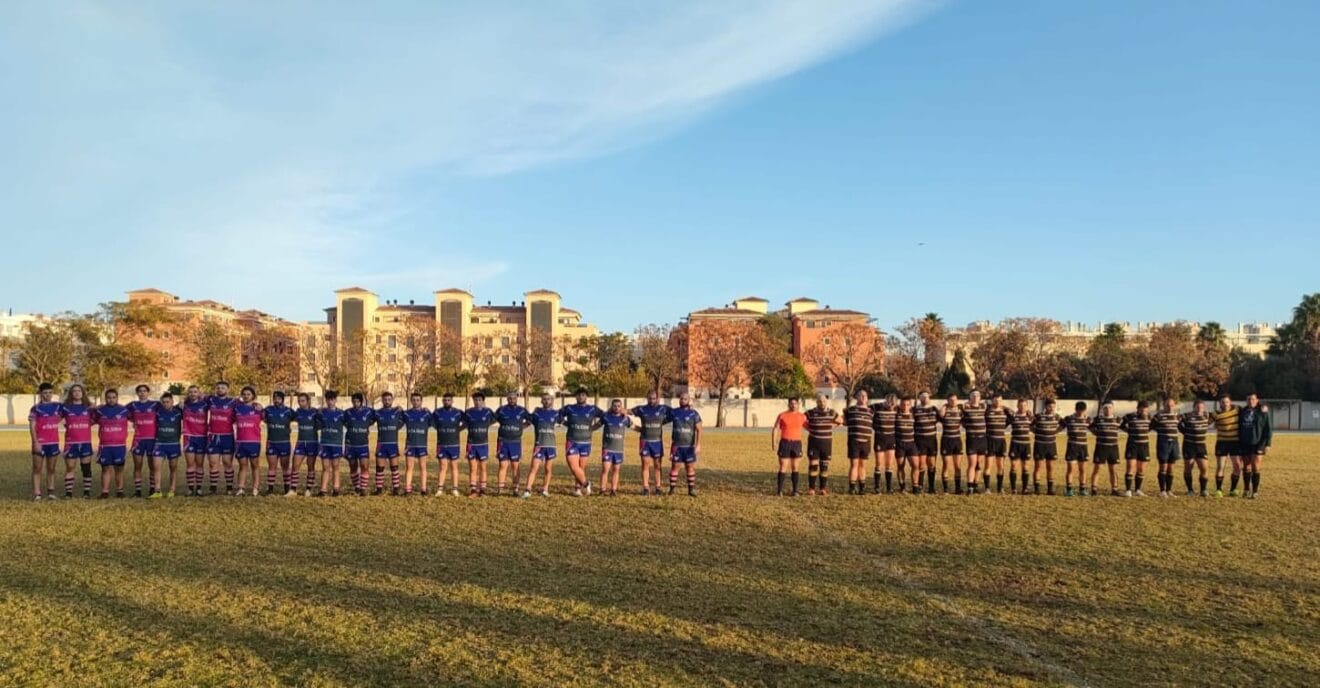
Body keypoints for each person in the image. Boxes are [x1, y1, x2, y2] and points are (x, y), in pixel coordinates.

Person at [558, 389, 603, 497]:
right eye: (579, 395)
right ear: (576, 397)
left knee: (580, 468)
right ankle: (586, 484)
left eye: (583, 395)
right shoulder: (569, 408)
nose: (581, 397)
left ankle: (577, 489)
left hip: (586, 442)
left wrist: (593, 427)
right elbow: (557, 415)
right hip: (572, 441)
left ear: (586, 396)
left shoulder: (592, 409)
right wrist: (565, 423)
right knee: (574, 467)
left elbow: (604, 417)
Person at [630, 392, 672, 495]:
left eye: (654, 398)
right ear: (647, 398)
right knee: (645, 465)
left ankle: (658, 488)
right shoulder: (641, 409)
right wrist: (616, 410)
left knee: (657, 466)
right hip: (645, 441)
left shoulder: (663, 408)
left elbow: (676, 413)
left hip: (657, 442)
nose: (652, 400)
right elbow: (627, 411)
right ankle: (645, 488)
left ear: (657, 398)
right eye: (650, 398)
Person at [92, 389, 130, 498]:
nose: (111, 399)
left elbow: (136, 419)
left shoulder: (124, 410)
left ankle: (120, 491)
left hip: (119, 445)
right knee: (105, 468)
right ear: (105, 398)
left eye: (114, 397)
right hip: (105, 445)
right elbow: (90, 421)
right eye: (109, 397)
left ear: (117, 398)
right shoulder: (100, 411)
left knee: (119, 468)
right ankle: (105, 492)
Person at [28, 383, 63, 500]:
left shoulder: (58, 406)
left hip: (53, 442)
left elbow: (67, 412)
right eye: (45, 393)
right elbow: (32, 427)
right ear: (40, 394)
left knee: (51, 468)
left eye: (50, 393)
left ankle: (51, 492)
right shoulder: (35, 408)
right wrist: (35, 442)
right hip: (40, 443)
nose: (48, 395)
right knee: (37, 468)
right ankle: (37, 494)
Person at [61, 384, 95, 498]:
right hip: (71, 443)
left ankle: (86, 493)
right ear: (71, 393)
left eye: (79, 391)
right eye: (74, 391)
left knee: (86, 468)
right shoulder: (65, 407)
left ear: (83, 393)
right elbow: (55, 419)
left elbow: (97, 419)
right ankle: (69, 493)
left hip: (85, 442)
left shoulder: (89, 407)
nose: (77, 393)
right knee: (70, 467)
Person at [523, 395, 561, 498]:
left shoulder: (556, 413)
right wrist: (518, 429)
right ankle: (528, 490)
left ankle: (545, 489)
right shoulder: (536, 413)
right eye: (544, 399)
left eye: (548, 399)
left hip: (551, 445)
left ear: (552, 400)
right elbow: (527, 423)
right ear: (541, 401)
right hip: (539, 445)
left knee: (548, 469)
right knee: (534, 468)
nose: (546, 401)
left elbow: (565, 422)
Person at [127, 384, 160, 498]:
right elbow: (120, 412)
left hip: (152, 439)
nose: (142, 393)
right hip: (138, 439)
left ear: (148, 392)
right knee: (137, 466)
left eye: (144, 391)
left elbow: (168, 407)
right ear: (137, 393)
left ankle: (152, 488)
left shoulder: (155, 404)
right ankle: (138, 490)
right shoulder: (132, 405)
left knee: (152, 466)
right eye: (140, 391)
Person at [206, 381, 239, 495]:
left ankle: (229, 488)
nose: (220, 389)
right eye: (218, 387)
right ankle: (213, 488)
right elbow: (194, 398)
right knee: (213, 463)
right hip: (213, 436)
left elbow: (246, 404)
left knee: (227, 463)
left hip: (227, 436)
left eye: (223, 388)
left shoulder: (234, 401)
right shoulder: (210, 399)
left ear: (227, 389)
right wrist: (182, 401)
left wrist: (256, 405)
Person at [494, 392, 529, 496]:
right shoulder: (501, 410)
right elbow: (492, 420)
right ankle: (500, 489)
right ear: (507, 399)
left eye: (513, 398)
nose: (512, 400)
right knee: (502, 465)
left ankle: (515, 489)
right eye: (509, 398)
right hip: (502, 442)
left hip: (515, 442)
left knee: (515, 466)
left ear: (516, 399)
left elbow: (530, 421)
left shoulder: (522, 410)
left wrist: (520, 427)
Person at [667, 393, 702, 496]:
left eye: (685, 399)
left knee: (690, 467)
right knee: (675, 467)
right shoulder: (674, 412)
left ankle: (691, 490)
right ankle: (672, 490)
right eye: (681, 398)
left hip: (689, 447)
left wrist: (698, 444)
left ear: (689, 400)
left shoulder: (694, 413)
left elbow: (699, 429)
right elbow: (661, 420)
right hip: (677, 446)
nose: (683, 400)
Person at [804, 394, 839, 496]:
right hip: (814, 442)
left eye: (823, 401)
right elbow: (802, 420)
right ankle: (811, 489)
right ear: (816, 402)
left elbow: (841, 421)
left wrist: (832, 426)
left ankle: (822, 489)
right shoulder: (810, 412)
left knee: (824, 466)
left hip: (826, 443)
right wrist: (809, 428)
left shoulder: (832, 412)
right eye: (820, 401)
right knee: (813, 465)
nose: (822, 403)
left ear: (826, 401)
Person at [432, 393, 467, 496]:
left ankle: (455, 489)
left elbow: (466, 422)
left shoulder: (458, 412)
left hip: (454, 444)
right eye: (445, 400)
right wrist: (439, 429)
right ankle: (440, 489)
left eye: (449, 400)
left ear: (452, 401)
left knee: (454, 466)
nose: (447, 402)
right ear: (442, 401)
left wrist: (458, 430)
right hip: (441, 444)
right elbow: (432, 423)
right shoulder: (437, 412)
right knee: (443, 467)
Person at [1237, 393, 1271, 499]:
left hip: (1258, 443)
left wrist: (1268, 444)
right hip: (1245, 443)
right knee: (1246, 467)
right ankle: (1246, 489)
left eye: (1253, 399)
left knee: (1256, 467)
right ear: (1246, 401)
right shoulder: (1242, 411)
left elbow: (1268, 428)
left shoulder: (1262, 411)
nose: (1250, 401)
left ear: (1257, 400)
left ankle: (1255, 491)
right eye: (1248, 399)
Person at [232, 386, 264, 497]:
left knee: (255, 465)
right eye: (244, 394)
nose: (246, 396)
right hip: (241, 442)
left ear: (253, 396)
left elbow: (268, 418)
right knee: (242, 466)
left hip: (254, 442)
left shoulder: (258, 409)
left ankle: (255, 488)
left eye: (248, 394)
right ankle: (241, 488)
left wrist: (260, 406)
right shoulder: (237, 408)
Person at [262, 391, 296, 496]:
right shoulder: (268, 410)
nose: (276, 400)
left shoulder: (289, 411)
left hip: (284, 443)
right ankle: (270, 489)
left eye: (279, 399)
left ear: (283, 399)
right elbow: (260, 415)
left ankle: (287, 489)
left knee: (285, 467)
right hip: (271, 443)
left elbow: (301, 417)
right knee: (272, 467)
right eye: (275, 398)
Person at [771, 397, 806, 496]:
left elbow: (809, 427)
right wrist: (774, 442)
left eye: (795, 403)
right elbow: (776, 429)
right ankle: (779, 491)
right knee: (783, 466)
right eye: (791, 403)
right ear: (788, 404)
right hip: (785, 443)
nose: (793, 405)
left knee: (795, 467)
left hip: (796, 443)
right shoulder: (782, 415)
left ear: (798, 405)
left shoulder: (802, 416)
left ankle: (795, 491)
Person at [462, 393, 495, 497]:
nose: (477, 402)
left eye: (480, 400)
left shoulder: (488, 412)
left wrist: (485, 426)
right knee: (472, 468)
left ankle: (483, 490)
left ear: (483, 401)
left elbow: (494, 420)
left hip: (483, 444)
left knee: (483, 467)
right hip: (471, 444)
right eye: (475, 400)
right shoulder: (468, 412)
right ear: (473, 401)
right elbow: (464, 424)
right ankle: (473, 490)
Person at [599, 399, 633, 496]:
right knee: (605, 469)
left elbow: (634, 427)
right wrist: (589, 430)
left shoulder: (625, 419)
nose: (617, 407)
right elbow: (597, 425)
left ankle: (613, 490)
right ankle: (602, 489)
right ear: (611, 406)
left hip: (618, 449)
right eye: (614, 406)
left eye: (619, 406)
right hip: (607, 449)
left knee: (616, 469)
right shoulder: (606, 416)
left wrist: (644, 431)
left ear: (621, 407)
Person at [152, 392, 183, 498]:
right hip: (159, 443)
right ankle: (157, 490)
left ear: (172, 402)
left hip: (173, 443)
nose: (165, 404)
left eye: (168, 402)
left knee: (173, 468)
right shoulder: (157, 412)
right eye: (163, 402)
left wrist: (182, 401)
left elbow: (190, 403)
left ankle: (172, 490)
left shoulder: (178, 412)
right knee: (156, 467)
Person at [344, 392, 376, 496]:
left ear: (361, 402)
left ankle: (363, 488)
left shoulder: (368, 411)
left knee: (364, 466)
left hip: (363, 445)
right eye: (354, 401)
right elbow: (341, 420)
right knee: (353, 466)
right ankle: (356, 487)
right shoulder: (347, 412)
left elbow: (377, 416)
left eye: (358, 401)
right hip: (351, 444)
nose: (355, 403)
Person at [843, 391, 874, 496]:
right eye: (861, 395)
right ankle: (852, 488)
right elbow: (844, 422)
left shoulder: (871, 411)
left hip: (866, 441)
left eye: (865, 395)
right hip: (854, 441)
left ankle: (862, 488)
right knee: (854, 465)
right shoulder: (850, 410)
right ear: (857, 397)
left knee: (863, 465)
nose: (863, 397)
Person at [181, 386, 211, 496]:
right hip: (188, 437)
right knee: (190, 464)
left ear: (199, 393)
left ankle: (198, 488)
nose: (193, 394)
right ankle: (190, 488)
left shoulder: (205, 404)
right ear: (187, 393)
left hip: (202, 437)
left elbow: (215, 400)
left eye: (195, 392)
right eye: (191, 392)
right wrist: (182, 400)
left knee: (199, 464)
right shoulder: (183, 405)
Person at [1211, 394, 1242, 497]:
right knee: (1220, 466)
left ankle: (1233, 489)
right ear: (1220, 404)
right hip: (1222, 443)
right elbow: (1203, 421)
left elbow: (1251, 408)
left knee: (1237, 466)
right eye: (1223, 402)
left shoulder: (1238, 409)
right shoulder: (1215, 414)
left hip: (1235, 443)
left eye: (1227, 402)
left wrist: (1262, 407)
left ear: (1230, 402)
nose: (1225, 404)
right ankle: (1218, 490)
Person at [373, 392, 404, 496]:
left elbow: (405, 417)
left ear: (392, 400)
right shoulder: (377, 412)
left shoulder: (397, 411)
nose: (387, 401)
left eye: (389, 399)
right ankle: (379, 490)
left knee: (394, 467)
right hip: (381, 444)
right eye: (385, 399)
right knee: (379, 468)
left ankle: (396, 489)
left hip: (392, 444)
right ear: (382, 400)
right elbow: (368, 420)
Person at [402, 393, 432, 496]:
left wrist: (429, 411)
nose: (416, 402)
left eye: (418, 400)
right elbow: (398, 421)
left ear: (421, 401)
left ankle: (423, 489)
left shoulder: (426, 414)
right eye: (414, 400)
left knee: (423, 467)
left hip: (422, 445)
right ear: (411, 401)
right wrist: (398, 408)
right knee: (409, 467)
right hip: (410, 445)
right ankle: (407, 489)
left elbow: (432, 423)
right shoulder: (406, 413)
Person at [317, 391, 347, 496]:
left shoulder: (342, 413)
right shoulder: (321, 412)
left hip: (336, 444)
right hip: (325, 443)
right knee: (325, 467)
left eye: (332, 399)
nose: (330, 402)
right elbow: (317, 424)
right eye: (328, 400)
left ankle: (336, 489)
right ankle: (323, 490)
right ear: (326, 400)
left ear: (335, 400)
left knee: (336, 466)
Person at [1152, 398, 1183, 498]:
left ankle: (1169, 490)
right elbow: (1152, 426)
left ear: (1174, 406)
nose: (1170, 407)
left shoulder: (1177, 416)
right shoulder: (1158, 416)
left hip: (1174, 443)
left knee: (1171, 468)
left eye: (1171, 405)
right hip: (1163, 443)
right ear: (1163, 405)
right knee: (1163, 467)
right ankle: (1162, 491)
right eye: (1167, 405)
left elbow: (1181, 428)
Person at [1120, 401, 1153, 497]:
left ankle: (1138, 490)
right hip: (1132, 445)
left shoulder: (1150, 417)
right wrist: (1129, 431)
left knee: (1141, 469)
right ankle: (1128, 490)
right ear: (1138, 408)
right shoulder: (1129, 416)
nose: (1143, 410)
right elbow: (1122, 426)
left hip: (1144, 445)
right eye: (1142, 408)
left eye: (1145, 408)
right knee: (1130, 467)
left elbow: (1151, 427)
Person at [1089, 402, 1122, 496]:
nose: (1108, 409)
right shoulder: (1098, 419)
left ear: (1113, 409)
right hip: (1101, 447)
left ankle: (1114, 489)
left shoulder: (1118, 419)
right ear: (1102, 409)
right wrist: (1097, 434)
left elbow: (1123, 428)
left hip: (1113, 447)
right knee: (1097, 469)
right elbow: (1090, 428)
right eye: (1105, 408)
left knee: (1113, 470)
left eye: (1110, 408)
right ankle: (1094, 489)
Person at [1179, 400, 1211, 497]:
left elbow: (1214, 419)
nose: (1199, 409)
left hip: (1201, 446)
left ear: (1204, 407)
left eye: (1201, 407)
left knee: (1204, 468)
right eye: (1197, 407)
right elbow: (1178, 423)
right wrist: (1185, 431)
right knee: (1188, 467)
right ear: (1194, 407)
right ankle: (1190, 490)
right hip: (1189, 446)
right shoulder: (1187, 416)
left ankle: (1203, 490)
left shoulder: (1207, 416)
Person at [292, 393, 321, 497]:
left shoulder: (315, 412)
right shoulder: (297, 412)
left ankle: (308, 489)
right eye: (299, 401)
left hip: (312, 442)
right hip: (300, 442)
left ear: (308, 401)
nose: (300, 403)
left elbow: (321, 424)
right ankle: (292, 489)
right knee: (295, 465)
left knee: (310, 466)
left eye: (302, 401)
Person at [1031, 400, 1061, 495]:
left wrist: (1055, 431)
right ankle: (1037, 489)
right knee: (1038, 467)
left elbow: (1065, 424)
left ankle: (1050, 489)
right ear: (1046, 407)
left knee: (1050, 467)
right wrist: (1037, 432)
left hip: (1051, 445)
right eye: (1049, 406)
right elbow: (1030, 425)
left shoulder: (1057, 417)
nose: (1052, 408)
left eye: (1053, 406)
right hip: (1039, 445)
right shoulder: (1038, 416)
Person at [960, 391, 988, 496]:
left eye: (977, 396)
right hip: (972, 440)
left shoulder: (984, 408)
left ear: (980, 397)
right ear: (970, 397)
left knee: (979, 464)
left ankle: (976, 486)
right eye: (973, 396)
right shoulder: (966, 409)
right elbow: (959, 411)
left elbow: (998, 404)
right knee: (972, 463)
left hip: (982, 439)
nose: (975, 397)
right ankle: (970, 487)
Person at [870, 393, 898, 494]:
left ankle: (889, 488)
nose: (891, 406)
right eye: (889, 404)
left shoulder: (897, 409)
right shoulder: (877, 407)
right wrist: (875, 427)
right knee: (878, 464)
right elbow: (866, 411)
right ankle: (877, 488)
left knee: (889, 465)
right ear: (885, 401)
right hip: (879, 438)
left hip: (891, 439)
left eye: (893, 404)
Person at [913, 392, 940, 494]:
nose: (925, 398)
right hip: (920, 440)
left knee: (932, 464)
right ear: (919, 398)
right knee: (921, 464)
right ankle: (919, 485)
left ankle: (931, 487)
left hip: (932, 440)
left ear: (929, 398)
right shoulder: (915, 410)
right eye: (922, 396)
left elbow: (942, 418)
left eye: (926, 396)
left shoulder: (934, 409)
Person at [937, 394, 964, 495]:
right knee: (946, 465)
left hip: (957, 440)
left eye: (955, 400)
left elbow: (964, 420)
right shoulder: (945, 409)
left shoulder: (960, 410)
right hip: (946, 440)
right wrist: (944, 406)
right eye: (951, 400)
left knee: (957, 466)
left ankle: (958, 488)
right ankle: (946, 489)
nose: (953, 402)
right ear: (947, 401)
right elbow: (940, 415)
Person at [985, 394, 1012, 494]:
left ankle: (1000, 488)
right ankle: (987, 488)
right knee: (988, 465)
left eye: (1000, 400)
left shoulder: (1004, 412)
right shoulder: (987, 411)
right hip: (989, 441)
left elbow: (1012, 417)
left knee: (1000, 466)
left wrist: (1006, 407)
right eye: (995, 400)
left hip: (1001, 441)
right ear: (992, 401)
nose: (997, 402)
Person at [1062, 401, 1090, 496]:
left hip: (1083, 447)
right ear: (1075, 409)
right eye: (1079, 411)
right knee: (1071, 469)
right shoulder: (1068, 419)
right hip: (1072, 447)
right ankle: (1069, 489)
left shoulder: (1088, 420)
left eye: (1082, 411)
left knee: (1083, 469)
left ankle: (1082, 489)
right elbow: (1059, 427)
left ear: (1085, 410)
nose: (1080, 413)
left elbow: (1094, 430)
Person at [894, 396, 920, 494]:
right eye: (903, 404)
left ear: (910, 406)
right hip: (900, 444)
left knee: (916, 466)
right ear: (900, 405)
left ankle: (915, 486)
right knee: (900, 466)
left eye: (907, 404)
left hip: (911, 444)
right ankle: (902, 487)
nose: (905, 406)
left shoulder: (914, 415)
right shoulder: (896, 415)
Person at [1008, 399, 1033, 495]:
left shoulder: (1030, 418)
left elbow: (1035, 428)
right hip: (1015, 444)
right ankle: (1013, 489)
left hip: (1026, 445)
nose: (1023, 407)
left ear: (1027, 407)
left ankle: (1025, 489)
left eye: (1024, 405)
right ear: (1017, 406)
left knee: (1026, 467)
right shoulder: (1013, 417)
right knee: (1014, 466)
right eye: (1021, 405)